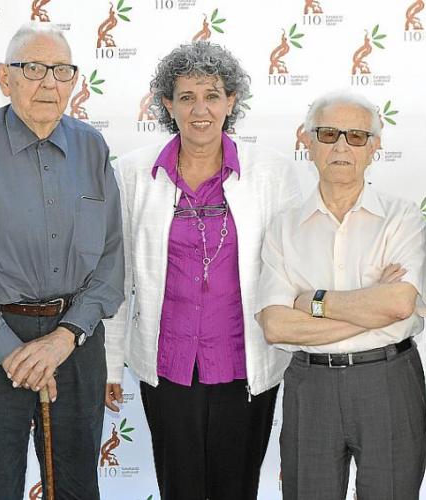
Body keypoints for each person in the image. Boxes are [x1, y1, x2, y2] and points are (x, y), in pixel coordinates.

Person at [103, 41, 311, 500]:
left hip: (245, 364)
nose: (201, 110)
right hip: (168, 368)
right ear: (167, 104)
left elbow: (293, 270)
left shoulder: (271, 172)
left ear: (231, 101)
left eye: (213, 95)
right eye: (187, 97)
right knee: (179, 487)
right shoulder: (134, 173)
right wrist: (111, 364)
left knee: (237, 488)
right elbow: (119, 278)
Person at [0, 23, 124, 499]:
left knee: (77, 488)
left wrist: (64, 337)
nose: (49, 82)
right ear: (4, 77)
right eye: (33, 68)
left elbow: (111, 260)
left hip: (74, 342)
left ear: (74, 81)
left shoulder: (92, 147)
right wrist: (10, 352)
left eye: (61, 70)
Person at [257, 91, 426, 500]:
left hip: (388, 381)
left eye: (355, 136)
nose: (340, 146)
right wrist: (371, 306)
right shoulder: (283, 226)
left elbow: (399, 304)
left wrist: (313, 303)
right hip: (310, 386)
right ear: (308, 142)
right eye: (328, 133)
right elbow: (276, 325)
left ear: (374, 147)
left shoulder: (402, 216)